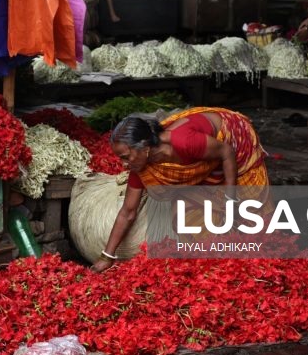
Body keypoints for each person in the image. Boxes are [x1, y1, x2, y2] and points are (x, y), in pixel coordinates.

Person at [91, 107, 268, 272]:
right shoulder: (140, 168)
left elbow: (227, 153)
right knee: (190, 222)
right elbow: (128, 211)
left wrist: (231, 200)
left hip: (234, 145)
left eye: (126, 157)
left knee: (251, 216)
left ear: (144, 146)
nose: (124, 164)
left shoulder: (184, 142)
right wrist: (107, 256)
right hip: (207, 157)